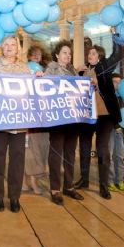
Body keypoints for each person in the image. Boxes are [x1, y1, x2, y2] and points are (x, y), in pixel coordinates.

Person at [0, 35, 31, 212]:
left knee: (18, 159)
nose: (10, 47)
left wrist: (39, 79)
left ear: (18, 48)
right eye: (7, 44)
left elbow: (30, 91)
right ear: (1, 47)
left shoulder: (24, 68)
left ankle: (14, 197)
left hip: (19, 120)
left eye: (13, 44)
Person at [74, 42, 122, 200]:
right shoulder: (82, 70)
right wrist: (77, 73)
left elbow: (117, 54)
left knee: (102, 150)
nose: (90, 55)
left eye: (94, 53)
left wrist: (115, 37)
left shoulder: (105, 67)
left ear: (100, 56)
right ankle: (84, 179)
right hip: (86, 115)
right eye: (89, 53)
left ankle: (103, 185)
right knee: (84, 148)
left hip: (104, 116)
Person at [45, 40, 83, 205]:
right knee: (56, 152)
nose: (68, 56)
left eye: (69, 53)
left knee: (70, 152)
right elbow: (45, 87)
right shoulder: (51, 68)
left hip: (73, 118)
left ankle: (69, 186)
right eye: (64, 53)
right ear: (57, 55)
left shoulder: (73, 70)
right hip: (58, 117)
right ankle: (55, 188)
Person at [23, 44, 50, 194]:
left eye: (38, 54)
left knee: (39, 148)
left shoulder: (44, 70)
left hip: (41, 115)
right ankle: (29, 180)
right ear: (29, 56)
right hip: (28, 115)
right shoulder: (25, 69)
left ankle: (31, 179)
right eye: (33, 54)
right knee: (29, 150)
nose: (36, 57)